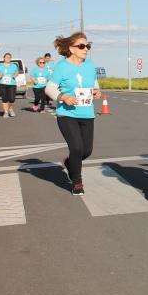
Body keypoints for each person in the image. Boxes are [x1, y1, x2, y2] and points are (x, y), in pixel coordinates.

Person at [45, 32, 101, 195]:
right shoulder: (62, 66)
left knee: (86, 151)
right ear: (71, 48)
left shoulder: (89, 65)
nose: (86, 49)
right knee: (76, 148)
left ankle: (70, 163)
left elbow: (94, 83)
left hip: (87, 114)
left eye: (87, 46)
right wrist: (63, 97)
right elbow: (49, 88)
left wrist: (97, 91)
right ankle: (77, 182)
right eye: (82, 46)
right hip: (66, 114)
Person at [0, 52, 19, 118]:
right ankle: (6, 112)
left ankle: (10, 108)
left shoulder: (14, 65)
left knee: (12, 99)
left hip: (12, 84)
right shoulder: (0, 66)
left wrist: (15, 75)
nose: (8, 58)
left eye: (9, 57)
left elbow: (17, 72)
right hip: (2, 84)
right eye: (7, 57)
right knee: (4, 99)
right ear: (4, 58)